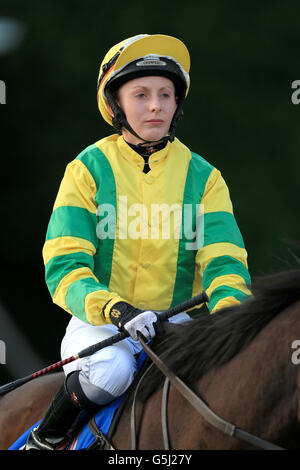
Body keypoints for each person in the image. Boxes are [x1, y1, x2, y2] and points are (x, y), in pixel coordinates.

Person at [24, 33, 251, 450]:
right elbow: (64, 265)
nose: (156, 106)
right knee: (111, 372)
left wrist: (230, 323)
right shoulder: (86, 169)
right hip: (102, 325)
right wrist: (115, 309)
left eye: (166, 94)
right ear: (115, 105)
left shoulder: (205, 177)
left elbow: (225, 264)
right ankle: (46, 437)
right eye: (141, 94)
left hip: (176, 328)